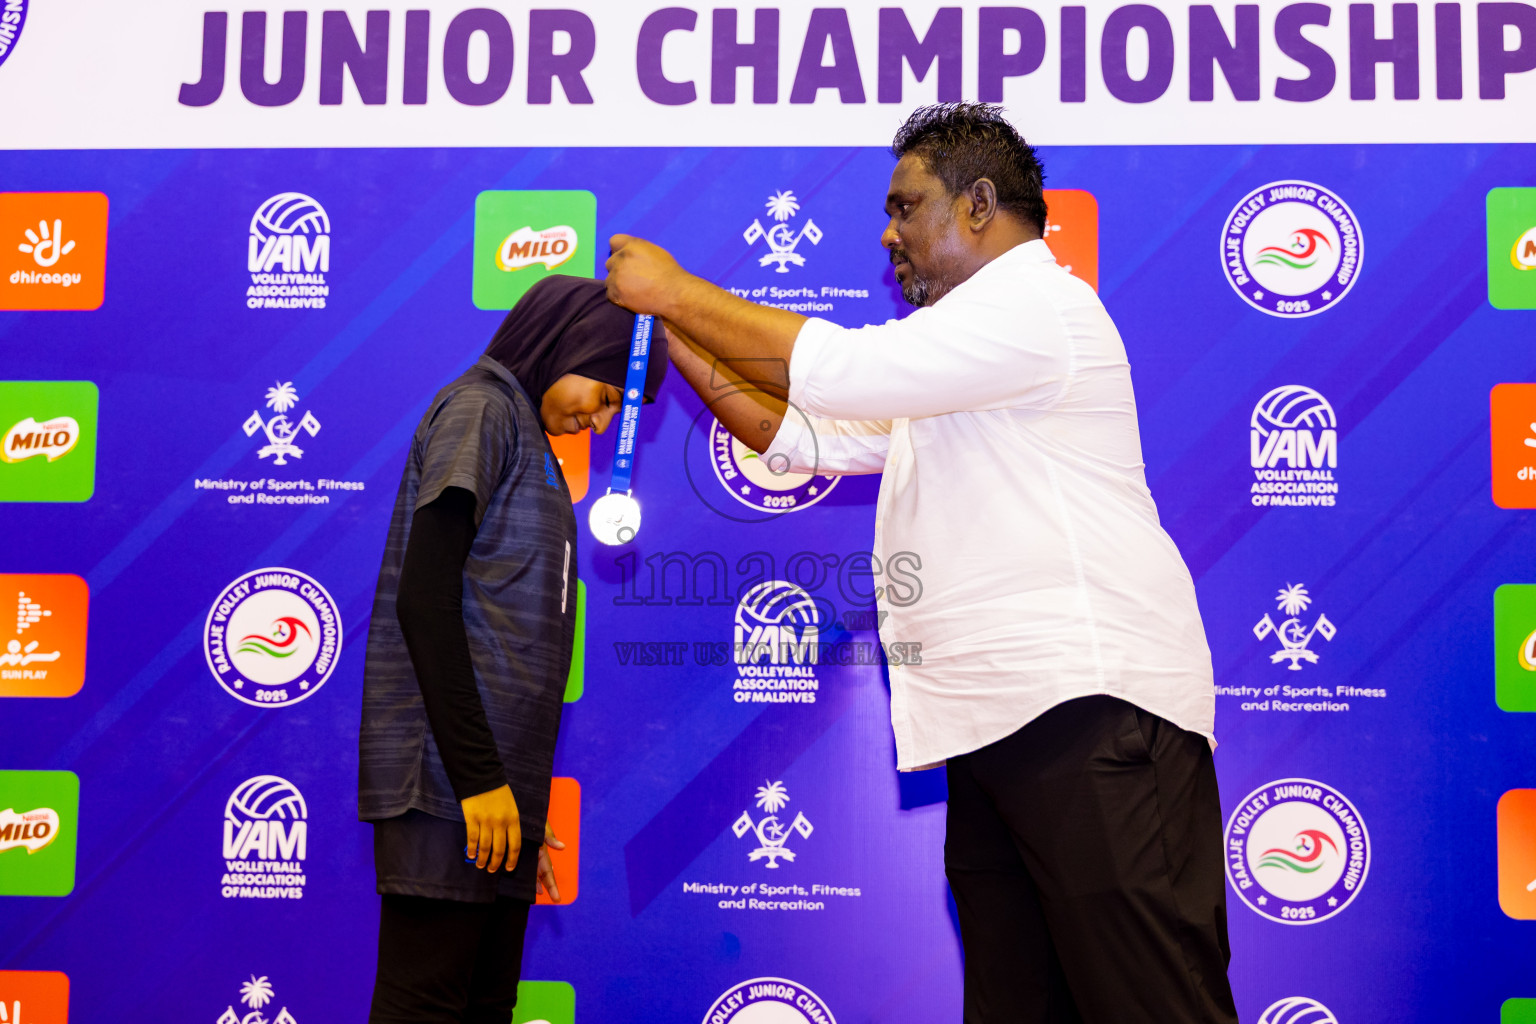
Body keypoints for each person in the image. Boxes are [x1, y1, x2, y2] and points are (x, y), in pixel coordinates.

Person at [604, 103, 1237, 1023]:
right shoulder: (956, 363)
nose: (890, 235)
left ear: (979, 205)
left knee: (1153, 1006)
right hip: (995, 729)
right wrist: (671, 337)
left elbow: (839, 371)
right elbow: (799, 433)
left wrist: (677, 291)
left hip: (1091, 713)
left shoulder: (1033, 305)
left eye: (907, 208)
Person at [357, 275, 666, 1024]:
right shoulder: (482, 408)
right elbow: (424, 601)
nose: (601, 420)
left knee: (484, 1006)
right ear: (577, 345)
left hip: (491, 795)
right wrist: (480, 783)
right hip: (448, 789)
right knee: (424, 1007)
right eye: (609, 395)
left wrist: (516, 803)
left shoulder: (521, 427)